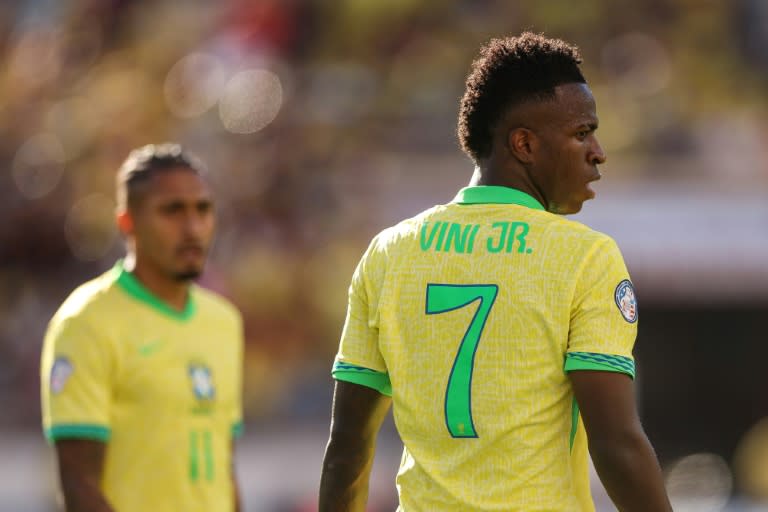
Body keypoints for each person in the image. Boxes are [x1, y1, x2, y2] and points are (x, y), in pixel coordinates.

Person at [319, 32, 672, 511]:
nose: (598, 151)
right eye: (582, 132)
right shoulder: (585, 257)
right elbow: (616, 444)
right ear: (524, 144)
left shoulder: (389, 251)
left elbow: (346, 450)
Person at [40, 143, 244, 512]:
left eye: (203, 209)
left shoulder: (224, 322)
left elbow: (224, 469)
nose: (193, 227)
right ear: (127, 222)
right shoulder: (86, 323)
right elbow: (78, 484)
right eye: (172, 211)